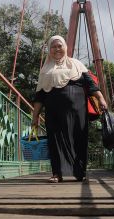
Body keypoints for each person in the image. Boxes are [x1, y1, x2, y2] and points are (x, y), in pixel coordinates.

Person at [31, 35, 108, 183]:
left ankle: (80, 173)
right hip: (54, 114)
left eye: (60, 46)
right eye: (53, 46)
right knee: (55, 141)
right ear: (49, 49)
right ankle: (57, 174)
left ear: (65, 47)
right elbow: (39, 96)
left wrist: (101, 99)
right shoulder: (45, 70)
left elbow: (91, 86)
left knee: (79, 139)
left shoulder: (77, 65)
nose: (57, 49)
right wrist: (35, 117)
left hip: (78, 112)